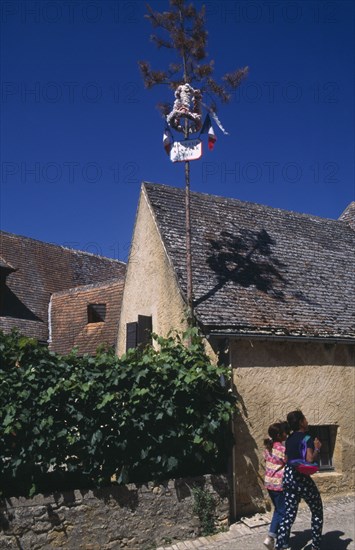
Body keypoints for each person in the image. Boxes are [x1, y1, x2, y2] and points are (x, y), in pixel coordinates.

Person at [275, 410, 323, 550]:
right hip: (301, 477)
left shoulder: (289, 439)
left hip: (289, 476)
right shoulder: (307, 438)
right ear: (301, 422)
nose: (307, 421)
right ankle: (315, 546)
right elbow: (309, 459)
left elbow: (286, 459)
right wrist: (318, 449)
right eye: (305, 418)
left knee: (289, 513)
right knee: (317, 510)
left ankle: (281, 545)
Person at [263, 422, 287, 550]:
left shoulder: (268, 448)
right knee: (282, 511)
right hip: (278, 484)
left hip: (269, 483)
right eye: (285, 432)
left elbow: (266, 459)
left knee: (278, 510)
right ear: (279, 435)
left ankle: (273, 536)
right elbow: (288, 462)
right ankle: (275, 539)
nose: (286, 434)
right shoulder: (282, 450)